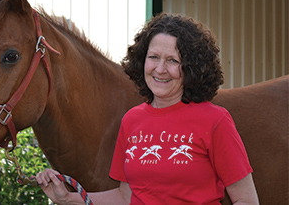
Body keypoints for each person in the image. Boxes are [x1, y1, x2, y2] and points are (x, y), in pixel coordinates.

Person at [36, 13, 259, 204]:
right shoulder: (132, 120)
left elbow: (246, 199)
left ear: (191, 67)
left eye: (173, 60)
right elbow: (125, 197)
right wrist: (69, 198)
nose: (160, 69)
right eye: (153, 57)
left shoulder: (215, 120)